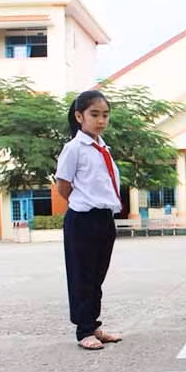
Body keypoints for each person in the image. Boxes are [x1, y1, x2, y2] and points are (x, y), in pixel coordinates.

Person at [55, 90, 123, 351]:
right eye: (94, 114)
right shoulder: (74, 149)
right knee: (81, 276)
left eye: (105, 115)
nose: (101, 120)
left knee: (96, 277)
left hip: (104, 218)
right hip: (83, 218)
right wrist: (82, 202)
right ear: (79, 116)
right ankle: (83, 330)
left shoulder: (103, 148)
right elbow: (63, 186)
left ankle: (93, 325)